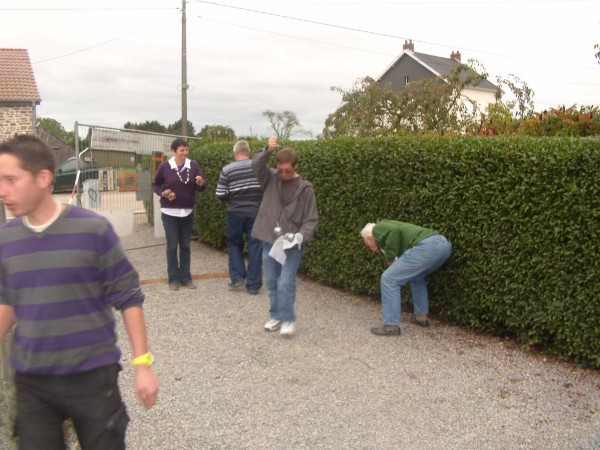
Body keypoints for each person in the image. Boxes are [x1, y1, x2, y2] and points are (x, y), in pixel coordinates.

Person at [0, 134, 159, 450]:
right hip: (32, 381)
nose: (2, 191)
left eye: (11, 180)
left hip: (92, 377)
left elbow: (128, 297)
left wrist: (143, 365)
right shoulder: (6, 238)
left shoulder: (92, 230)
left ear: (43, 178)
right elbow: (8, 301)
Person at [251, 137, 319, 336]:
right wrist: (267, 150)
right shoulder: (271, 178)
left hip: (291, 244)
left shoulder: (306, 189)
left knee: (286, 282)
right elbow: (255, 164)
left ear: (296, 165)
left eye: (287, 170)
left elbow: (311, 219)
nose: (283, 174)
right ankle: (276, 316)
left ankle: (288, 319)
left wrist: (299, 237)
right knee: (272, 281)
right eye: (280, 170)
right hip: (269, 240)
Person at [360, 220, 452, 336]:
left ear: (368, 239)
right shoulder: (389, 229)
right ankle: (421, 317)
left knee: (388, 278)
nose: (369, 248)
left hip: (426, 246)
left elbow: (395, 231)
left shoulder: (377, 228)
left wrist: (390, 259)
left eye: (367, 244)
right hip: (443, 246)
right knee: (416, 276)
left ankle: (391, 326)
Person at [152, 137, 207, 291]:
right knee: (172, 245)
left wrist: (201, 183)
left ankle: (186, 278)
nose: (185, 152)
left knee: (185, 245)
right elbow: (155, 184)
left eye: (186, 149)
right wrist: (163, 193)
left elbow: (201, 187)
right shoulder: (165, 167)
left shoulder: (193, 166)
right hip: (169, 212)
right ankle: (173, 279)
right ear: (174, 151)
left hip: (187, 212)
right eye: (181, 150)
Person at [215, 140, 264, 295]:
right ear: (248, 152)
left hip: (235, 212)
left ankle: (237, 278)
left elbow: (220, 194)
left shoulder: (227, 170)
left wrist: (231, 200)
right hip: (256, 212)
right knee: (255, 245)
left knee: (234, 243)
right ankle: (254, 285)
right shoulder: (259, 168)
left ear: (235, 153)